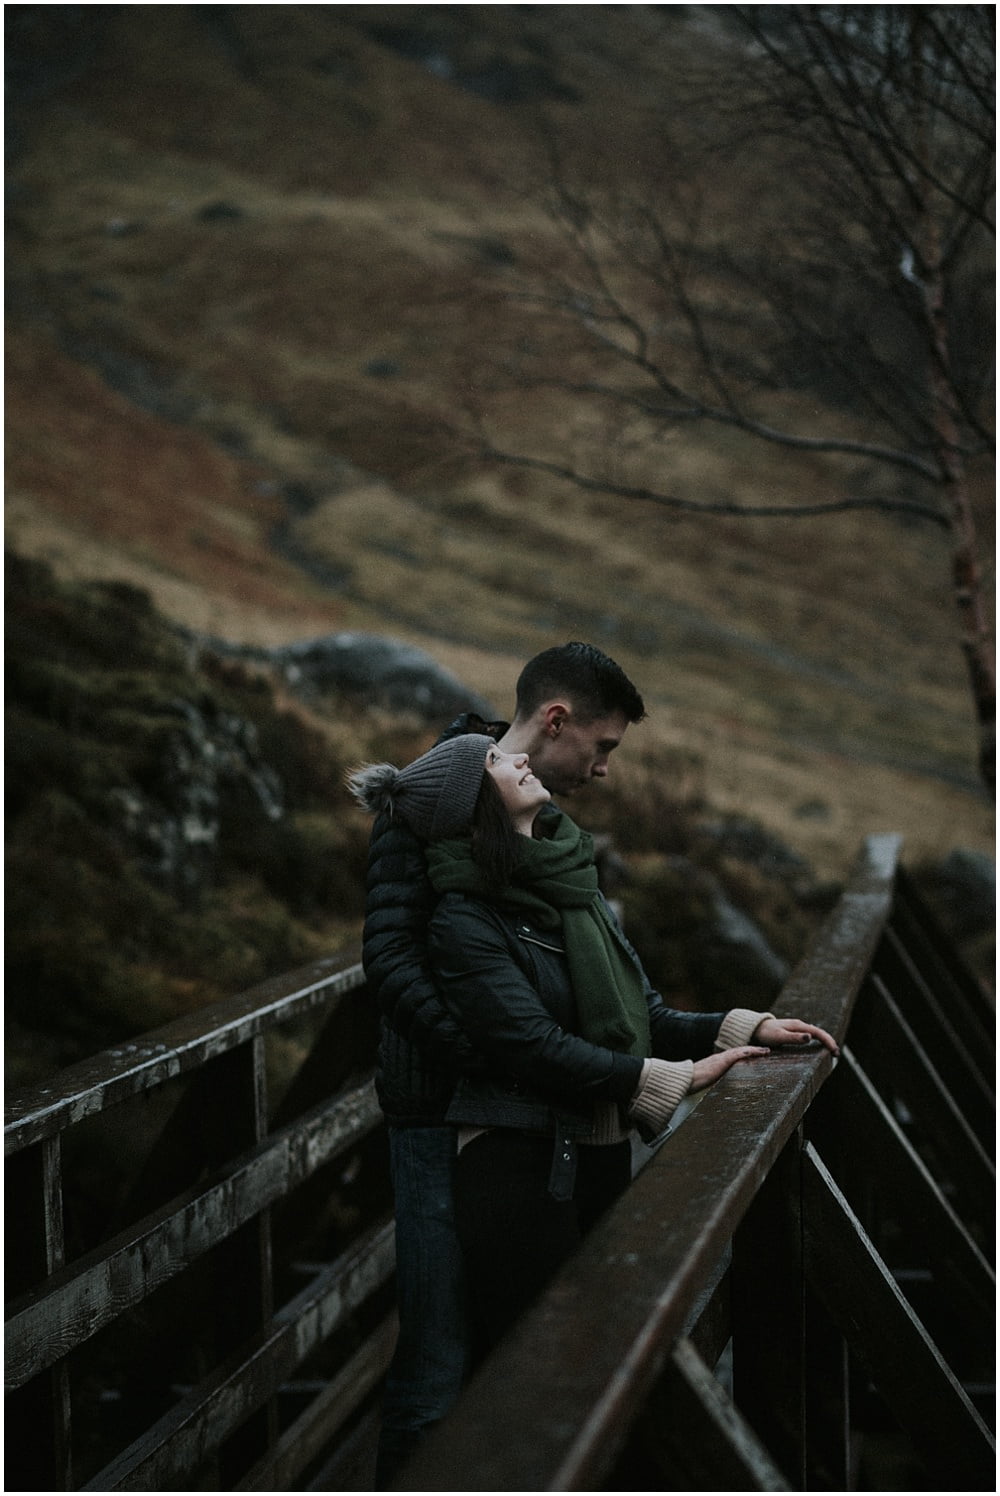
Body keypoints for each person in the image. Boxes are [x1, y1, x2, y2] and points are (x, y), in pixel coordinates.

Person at [350, 734, 838, 1368]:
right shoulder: (464, 920)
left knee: (600, 1360)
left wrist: (743, 1028)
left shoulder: (570, 889)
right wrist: (678, 1078)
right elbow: (533, 1044)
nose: (518, 757)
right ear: (472, 804)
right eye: (494, 761)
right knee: (538, 1377)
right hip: (518, 1172)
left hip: (592, 1154)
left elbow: (643, 1013)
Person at [356, 643, 648, 1485]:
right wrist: (500, 1054)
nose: (601, 767)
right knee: (441, 1354)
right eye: (601, 746)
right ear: (555, 720)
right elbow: (394, 963)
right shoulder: (428, 798)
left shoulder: (533, 813)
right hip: (440, 1110)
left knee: (510, 1341)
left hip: (524, 1118)